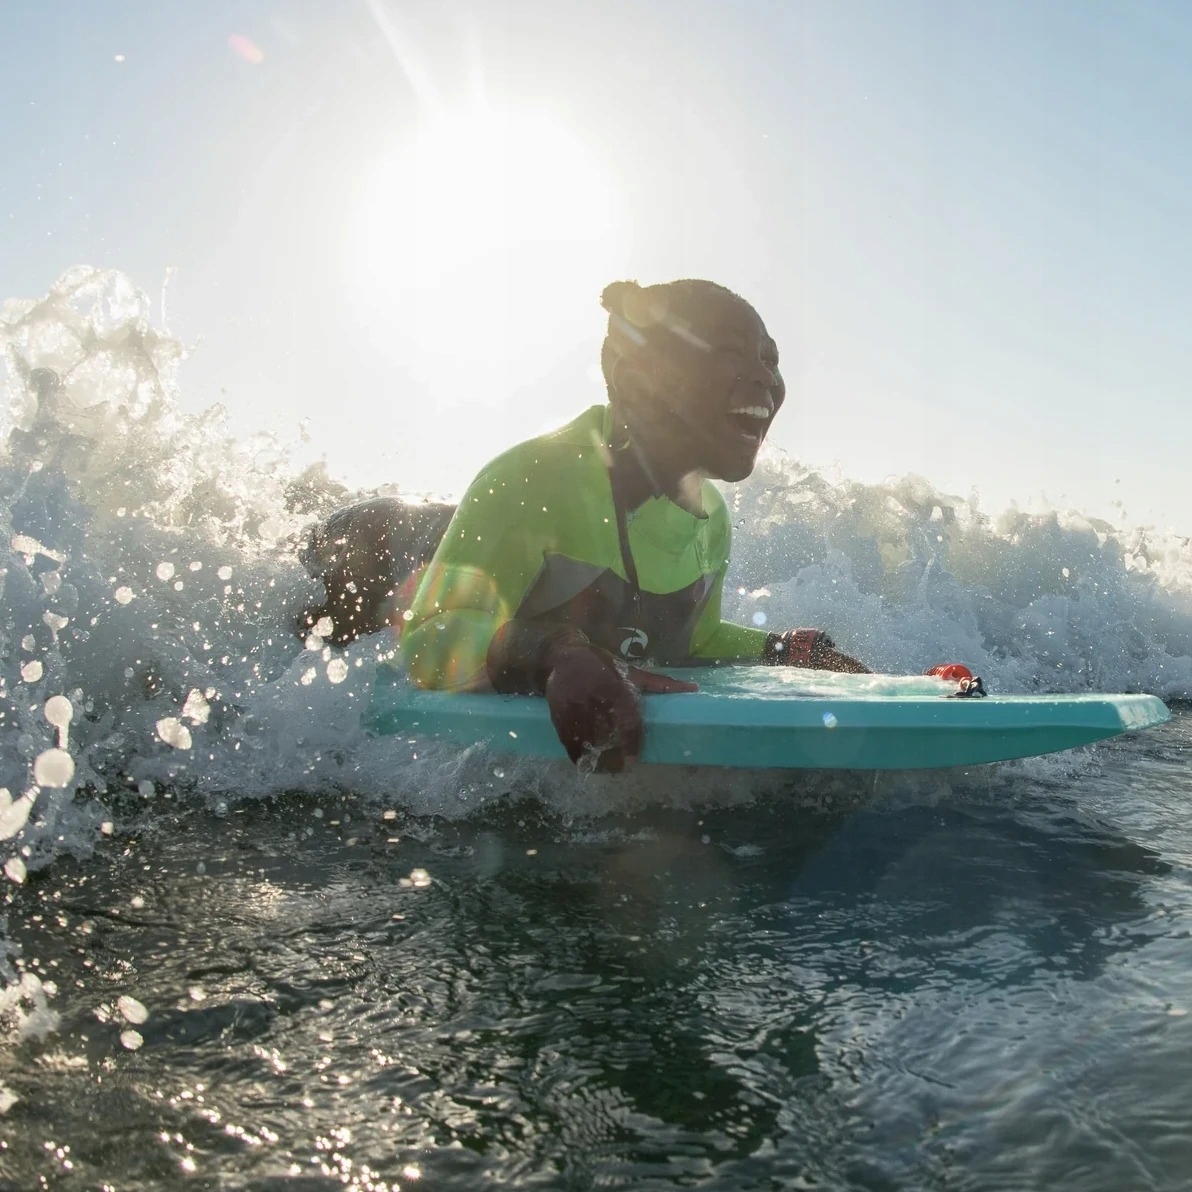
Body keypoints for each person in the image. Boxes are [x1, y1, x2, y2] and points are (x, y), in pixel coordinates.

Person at [399, 278, 871, 771]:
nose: (764, 378)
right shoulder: (531, 480)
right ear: (635, 380)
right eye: (731, 352)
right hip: (391, 554)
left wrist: (784, 648)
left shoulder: (711, 518)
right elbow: (425, 640)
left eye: (770, 360)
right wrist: (555, 655)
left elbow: (695, 641)